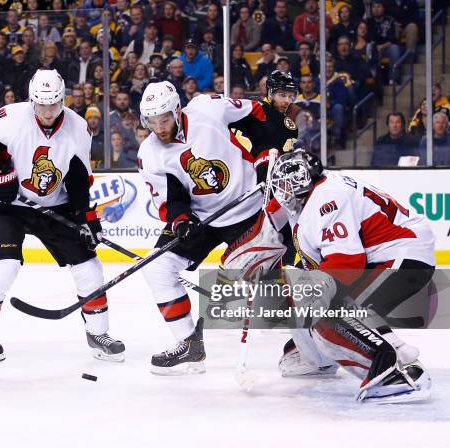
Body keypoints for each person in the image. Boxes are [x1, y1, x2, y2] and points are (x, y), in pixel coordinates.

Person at [0, 69, 125, 372]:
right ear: (31, 100)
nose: (47, 112)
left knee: (89, 267)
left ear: (63, 100)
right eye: (41, 105)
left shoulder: (78, 127)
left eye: (54, 105)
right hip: (6, 205)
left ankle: (98, 334)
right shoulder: (8, 118)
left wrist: (85, 217)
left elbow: (77, 176)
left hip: (53, 204)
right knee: (3, 268)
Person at [270, 150, 434, 403]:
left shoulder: (327, 199)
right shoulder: (316, 193)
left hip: (403, 258)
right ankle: (324, 358)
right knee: (312, 296)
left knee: (329, 312)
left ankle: (391, 373)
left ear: (300, 181)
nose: (280, 192)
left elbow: (347, 263)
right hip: (388, 257)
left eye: (284, 184)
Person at [137, 80, 270, 375]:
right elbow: (171, 200)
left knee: (274, 285)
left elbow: (258, 113)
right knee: (156, 267)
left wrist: (265, 154)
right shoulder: (150, 153)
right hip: (204, 218)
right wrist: (182, 221)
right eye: (153, 121)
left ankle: (311, 345)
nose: (159, 127)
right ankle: (189, 345)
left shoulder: (207, 108)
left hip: (251, 207)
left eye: (164, 119)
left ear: (176, 110)